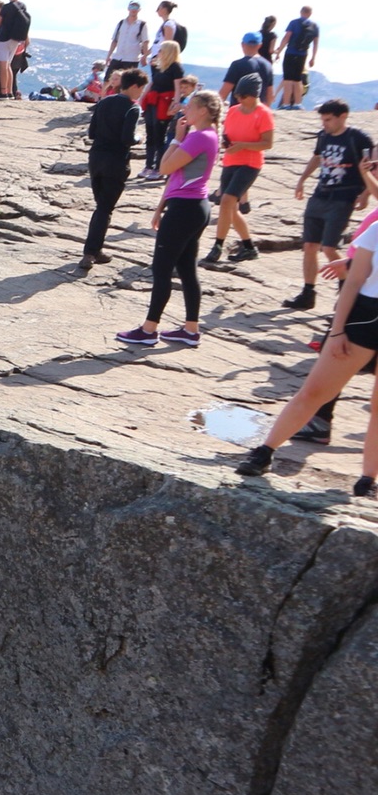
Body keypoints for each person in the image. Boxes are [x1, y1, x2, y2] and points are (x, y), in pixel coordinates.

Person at [234, 212, 378, 496]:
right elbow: (353, 281)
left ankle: (367, 481)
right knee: (314, 392)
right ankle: (264, 452)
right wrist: (337, 331)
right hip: (363, 318)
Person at [114, 89, 222, 348]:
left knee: (161, 269)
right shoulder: (209, 136)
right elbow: (177, 176)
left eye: (190, 107)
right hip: (193, 206)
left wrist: (176, 138)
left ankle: (149, 330)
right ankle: (190, 330)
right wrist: (161, 206)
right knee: (186, 269)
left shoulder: (199, 138)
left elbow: (165, 167)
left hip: (185, 209)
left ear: (204, 111)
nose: (185, 110)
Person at [287, 99, 378, 309]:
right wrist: (302, 180)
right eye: (323, 119)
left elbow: (370, 168)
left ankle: (348, 290)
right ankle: (307, 292)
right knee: (309, 245)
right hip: (320, 195)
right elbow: (317, 157)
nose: (324, 124)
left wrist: (364, 194)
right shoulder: (324, 136)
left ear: (343, 117)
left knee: (329, 247)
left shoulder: (358, 138)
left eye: (328, 120)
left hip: (343, 198)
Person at [81, 69, 149, 272]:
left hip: (96, 159)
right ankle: (90, 253)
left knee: (101, 206)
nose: (142, 93)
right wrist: (139, 139)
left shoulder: (104, 102)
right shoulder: (132, 108)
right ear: (135, 86)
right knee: (104, 208)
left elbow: (92, 132)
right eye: (142, 88)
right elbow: (127, 138)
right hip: (116, 162)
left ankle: (95, 250)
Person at [203, 73, 274, 265]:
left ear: (254, 95)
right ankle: (249, 247)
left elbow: (267, 143)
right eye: (237, 96)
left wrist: (242, 145)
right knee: (231, 208)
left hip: (250, 163)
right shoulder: (234, 111)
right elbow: (227, 134)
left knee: (227, 201)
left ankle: (217, 246)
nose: (239, 99)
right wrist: (227, 143)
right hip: (231, 160)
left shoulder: (264, 114)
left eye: (243, 96)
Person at [141, 40, 185, 176]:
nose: (158, 53)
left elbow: (178, 88)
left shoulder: (176, 68)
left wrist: (175, 104)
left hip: (164, 102)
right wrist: (142, 97)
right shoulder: (158, 66)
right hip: (152, 101)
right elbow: (152, 83)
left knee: (160, 134)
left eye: (161, 50)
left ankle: (159, 167)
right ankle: (148, 164)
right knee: (150, 133)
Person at [274, 6, 321, 110]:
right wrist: (313, 57)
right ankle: (298, 103)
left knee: (288, 79)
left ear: (301, 12)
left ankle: (286, 104)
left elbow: (287, 37)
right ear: (310, 13)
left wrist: (279, 51)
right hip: (303, 54)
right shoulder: (315, 26)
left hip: (291, 52)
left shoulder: (294, 23)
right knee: (297, 79)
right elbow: (316, 43)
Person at [0, 0, 31, 100]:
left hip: (4, 38)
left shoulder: (7, 7)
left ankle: (3, 92)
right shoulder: (22, 6)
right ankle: (9, 91)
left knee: (3, 65)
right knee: (8, 65)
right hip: (16, 39)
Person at [221, 32, 275, 104]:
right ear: (260, 45)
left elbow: (224, 93)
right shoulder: (268, 65)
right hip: (258, 111)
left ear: (242, 44)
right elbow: (270, 94)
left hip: (239, 111)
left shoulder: (237, 65)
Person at [105, 1, 150, 75]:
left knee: (127, 83)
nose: (134, 9)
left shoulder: (142, 25)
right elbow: (114, 41)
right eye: (132, 7)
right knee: (108, 80)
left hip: (132, 59)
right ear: (128, 8)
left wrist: (145, 56)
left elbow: (145, 42)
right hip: (117, 57)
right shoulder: (121, 23)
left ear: (139, 10)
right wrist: (108, 56)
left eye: (136, 7)